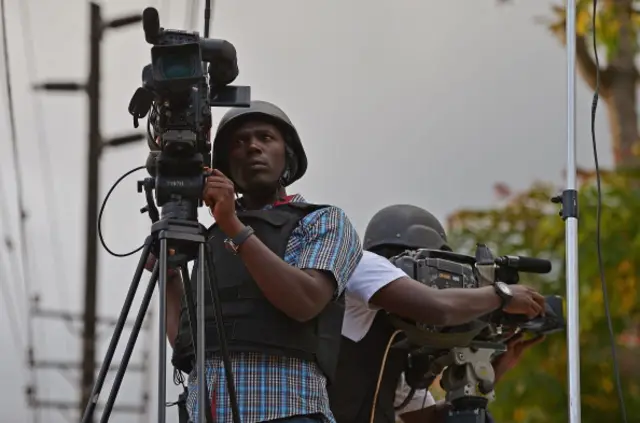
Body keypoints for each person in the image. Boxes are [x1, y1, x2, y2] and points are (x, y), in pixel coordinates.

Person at [150, 100, 362, 423]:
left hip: (291, 413)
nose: (252, 147)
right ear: (222, 167)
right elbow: (190, 342)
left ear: (287, 155)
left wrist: (233, 226)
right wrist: (169, 276)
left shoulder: (322, 221)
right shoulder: (209, 237)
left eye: (265, 138)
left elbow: (305, 300)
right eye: (239, 142)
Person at [327, 204, 546, 423]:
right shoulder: (362, 265)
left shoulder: (391, 340)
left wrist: (489, 370)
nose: (438, 286)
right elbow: (439, 308)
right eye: (437, 274)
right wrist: (502, 296)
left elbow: (431, 419)